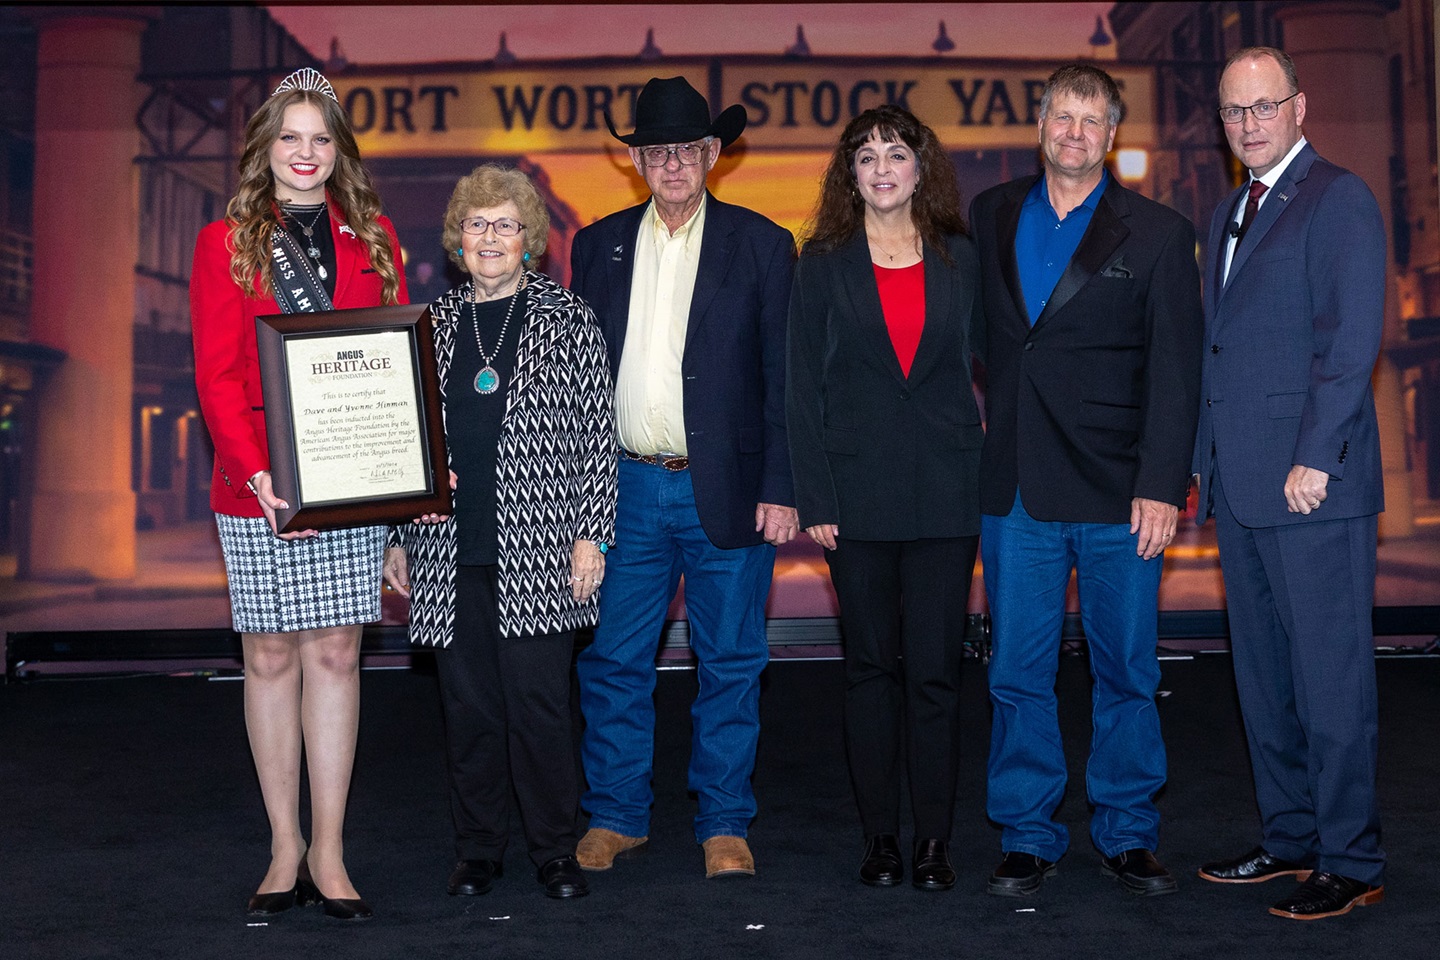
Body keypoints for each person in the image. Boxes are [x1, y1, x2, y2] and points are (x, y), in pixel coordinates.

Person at [968, 63, 1203, 898]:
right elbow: (983, 344)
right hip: (1020, 493)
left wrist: (1163, 485)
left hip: (1119, 497)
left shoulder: (1160, 234)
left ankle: (1128, 830)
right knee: (1016, 674)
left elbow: (1177, 374)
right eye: (1060, 117)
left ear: (1112, 135)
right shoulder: (991, 214)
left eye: (1090, 120)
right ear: (1041, 127)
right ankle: (1028, 833)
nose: (1073, 133)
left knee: (1127, 672)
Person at [189, 67, 407, 921]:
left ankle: (331, 849)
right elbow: (214, 375)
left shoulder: (374, 236)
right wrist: (256, 472)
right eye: (290, 137)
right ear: (265, 149)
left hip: (347, 481)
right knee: (271, 656)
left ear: (337, 149)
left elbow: (388, 375)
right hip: (257, 487)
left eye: (321, 138)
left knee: (336, 656)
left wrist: (393, 503)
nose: (306, 153)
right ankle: (283, 845)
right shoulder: (227, 242)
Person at [568, 76, 797, 879]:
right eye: (654, 151)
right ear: (636, 161)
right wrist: (576, 503)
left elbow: (782, 378)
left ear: (711, 155)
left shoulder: (764, 244)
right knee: (613, 661)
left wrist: (781, 485)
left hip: (727, 489)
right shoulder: (596, 246)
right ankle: (618, 814)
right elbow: (577, 379)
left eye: (686, 150)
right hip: (624, 490)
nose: (671, 164)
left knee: (731, 660)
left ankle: (724, 823)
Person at [383, 164, 617, 900]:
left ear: (529, 240)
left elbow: (597, 435)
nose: (490, 237)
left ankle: (554, 851)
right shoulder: (432, 324)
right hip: (449, 551)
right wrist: (396, 533)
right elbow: (404, 440)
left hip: (542, 550)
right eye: (477, 224)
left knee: (541, 710)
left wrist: (592, 535)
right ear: (458, 237)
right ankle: (479, 850)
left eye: (505, 225)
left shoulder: (568, 319)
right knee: (470, 710)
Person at [1192, 47, 1387, 921]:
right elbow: (1219, 351)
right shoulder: (1227, 210)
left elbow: (1350, 345)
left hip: (1314, 487)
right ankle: (1292, 836)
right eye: (1234, 112)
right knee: (1264, 678)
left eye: (1263, 107)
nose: (1248, 125)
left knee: (1331, 679)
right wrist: (1202, 461)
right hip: (1239, 485)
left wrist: (1315, 455)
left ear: (1300, 107)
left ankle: (1352, 857)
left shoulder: (1339, 198)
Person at [786, 105, 983, 891]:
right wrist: (816, 495)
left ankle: (933, 841)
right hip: (855, 496)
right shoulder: (821, 261)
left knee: (935, 672)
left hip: (945, 492)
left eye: (895, 154)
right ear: (850, 175)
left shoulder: (960, 255)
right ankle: (881, 841)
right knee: (871, 670)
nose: (880, 169)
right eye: (865, 157)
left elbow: (997, 361)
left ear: (920, 167)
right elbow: (802, 388)